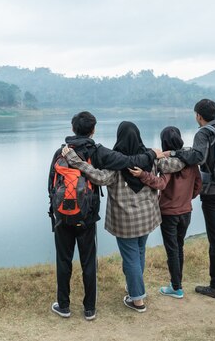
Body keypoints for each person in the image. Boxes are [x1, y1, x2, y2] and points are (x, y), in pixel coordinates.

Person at [48, 112, 161, 321]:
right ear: (93, 129)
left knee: (63, 260)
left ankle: (63, 305)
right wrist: (153, 154)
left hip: (63, 216)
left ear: (73, 129)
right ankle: (90, 309)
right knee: (90, 261)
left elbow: (52, 184)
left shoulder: (60, 152)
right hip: (89, 217)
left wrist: (55, 211)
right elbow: (131, 162)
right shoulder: (99, 152)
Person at [165, 99, 215, 300]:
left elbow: (197, 158)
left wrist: (173, 153)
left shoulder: (204, 132)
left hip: (214, 194)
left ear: (198, 115)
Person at [128, 126, 202, 299]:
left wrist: (143, 175)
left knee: (172, 249)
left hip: (169, 212)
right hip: (186, 211)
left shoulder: (167, 164)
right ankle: (177, 283)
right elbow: (198, 185)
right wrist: (186, 198)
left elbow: (160, 184)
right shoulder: (191, 161)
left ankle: (176, 287)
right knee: (179, 246)